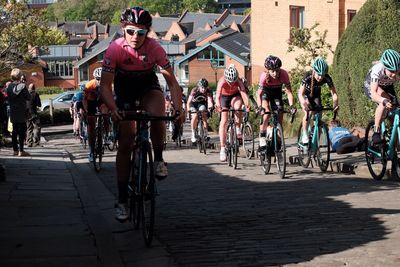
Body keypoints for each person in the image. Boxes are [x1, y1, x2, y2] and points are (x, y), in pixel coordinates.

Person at [100, 6, 183, 221]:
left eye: (141, 33)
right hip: (124, 89)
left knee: (157, 115)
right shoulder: (115, 49)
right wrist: (113, 108)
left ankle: (159, 159)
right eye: (130, 31)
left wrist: (178, 108)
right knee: (126, 142)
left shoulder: (155, 48)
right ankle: (121, 199)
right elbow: (105, 86)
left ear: (148, 32)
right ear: (123, 30)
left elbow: (172, 83)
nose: (135, 37)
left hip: (148, 85)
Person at [256, 55, 296, 147]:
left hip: (277, 93)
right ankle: (262, 136)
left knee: (279, 116)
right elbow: (259, 94)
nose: (275, 73)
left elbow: (289, 92)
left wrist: (291, 106)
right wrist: (259, 107)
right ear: (268, 70)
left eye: (277, 70)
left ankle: (278, 143)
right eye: (272, 71)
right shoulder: (263, 77)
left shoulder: (284, 74)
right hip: (266, 93)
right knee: (266, 113)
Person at [298, 57, 339, 144]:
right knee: (308, 113)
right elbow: (300, 94)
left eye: (323, 75)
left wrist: (335, 104)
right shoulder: (307, 76)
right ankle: (304, 133)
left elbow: (334, 94)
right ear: (314, 71)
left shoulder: (327, 78)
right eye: (318, 74)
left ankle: (315, 144)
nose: (320, 77)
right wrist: (304, 103)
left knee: (318, 117)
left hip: (316, 95)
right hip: (305, 96)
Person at [363, 49, 400, 144]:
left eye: (397, 71)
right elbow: (374, 93)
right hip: (373, 86)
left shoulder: (396, 72)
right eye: (391, 71)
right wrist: (383, 101)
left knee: (395, 108)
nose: (394, 74)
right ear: (385, 67)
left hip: (387, 86)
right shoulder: (377, 69)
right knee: (384, 102)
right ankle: (376, 131)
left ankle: (392, 136)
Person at [215, 64, 250, 162]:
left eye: (233, 81)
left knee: (238, 107)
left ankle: (238, 128)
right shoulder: (222, 81)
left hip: (235, 95)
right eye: (229, 81)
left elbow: (243, 92)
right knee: (224, 120)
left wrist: (247, 105)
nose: (231, 83)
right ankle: (222, 148)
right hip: (224, 97)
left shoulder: (238, 80)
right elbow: (217, 96)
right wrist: (218, 106)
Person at [83, 67, 109, 162]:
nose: (100, 81)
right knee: (91, 125)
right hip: (91, 101)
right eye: (98, 79)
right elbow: (84, 100)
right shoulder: (89, 85)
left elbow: (110, 98)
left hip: (102, 101)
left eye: (101, 79)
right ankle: (91, 150)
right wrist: (86, 110)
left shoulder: (108, 84)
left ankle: (106, 135)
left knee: (105, 114)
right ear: (95, 78)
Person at [6, 68, 31, 156]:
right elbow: (28, 97)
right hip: (21, 111)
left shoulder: (8, 87)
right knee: (22, 131)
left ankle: (15, 150)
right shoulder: (22, 86)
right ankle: (21, 151)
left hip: (13, 111)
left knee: (14, 131)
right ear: (20, 76)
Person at [187, 78, 213, 143]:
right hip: (193, 104)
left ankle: (206, 133)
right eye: (202, 88)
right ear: (199, 87)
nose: (204, 89)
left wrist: (210, 108)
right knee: (195, 116)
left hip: (201, 104)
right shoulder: (194, 90)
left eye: (205, 88)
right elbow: (188, 102)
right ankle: (193, 134)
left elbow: (210, 101)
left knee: (204, 114)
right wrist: (188, 110)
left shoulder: (208, 91)